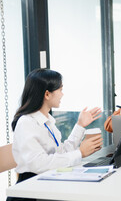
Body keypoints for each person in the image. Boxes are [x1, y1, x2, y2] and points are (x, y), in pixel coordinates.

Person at [8, 69, 103, 201]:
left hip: (45, 185)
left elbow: (61, 153)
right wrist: (80, 153)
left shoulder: (47, 121)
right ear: (47, 94)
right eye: (60, 90)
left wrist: (80, 125)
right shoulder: (26, 123)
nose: (62, 94)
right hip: (30, 192)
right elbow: (40, 164)